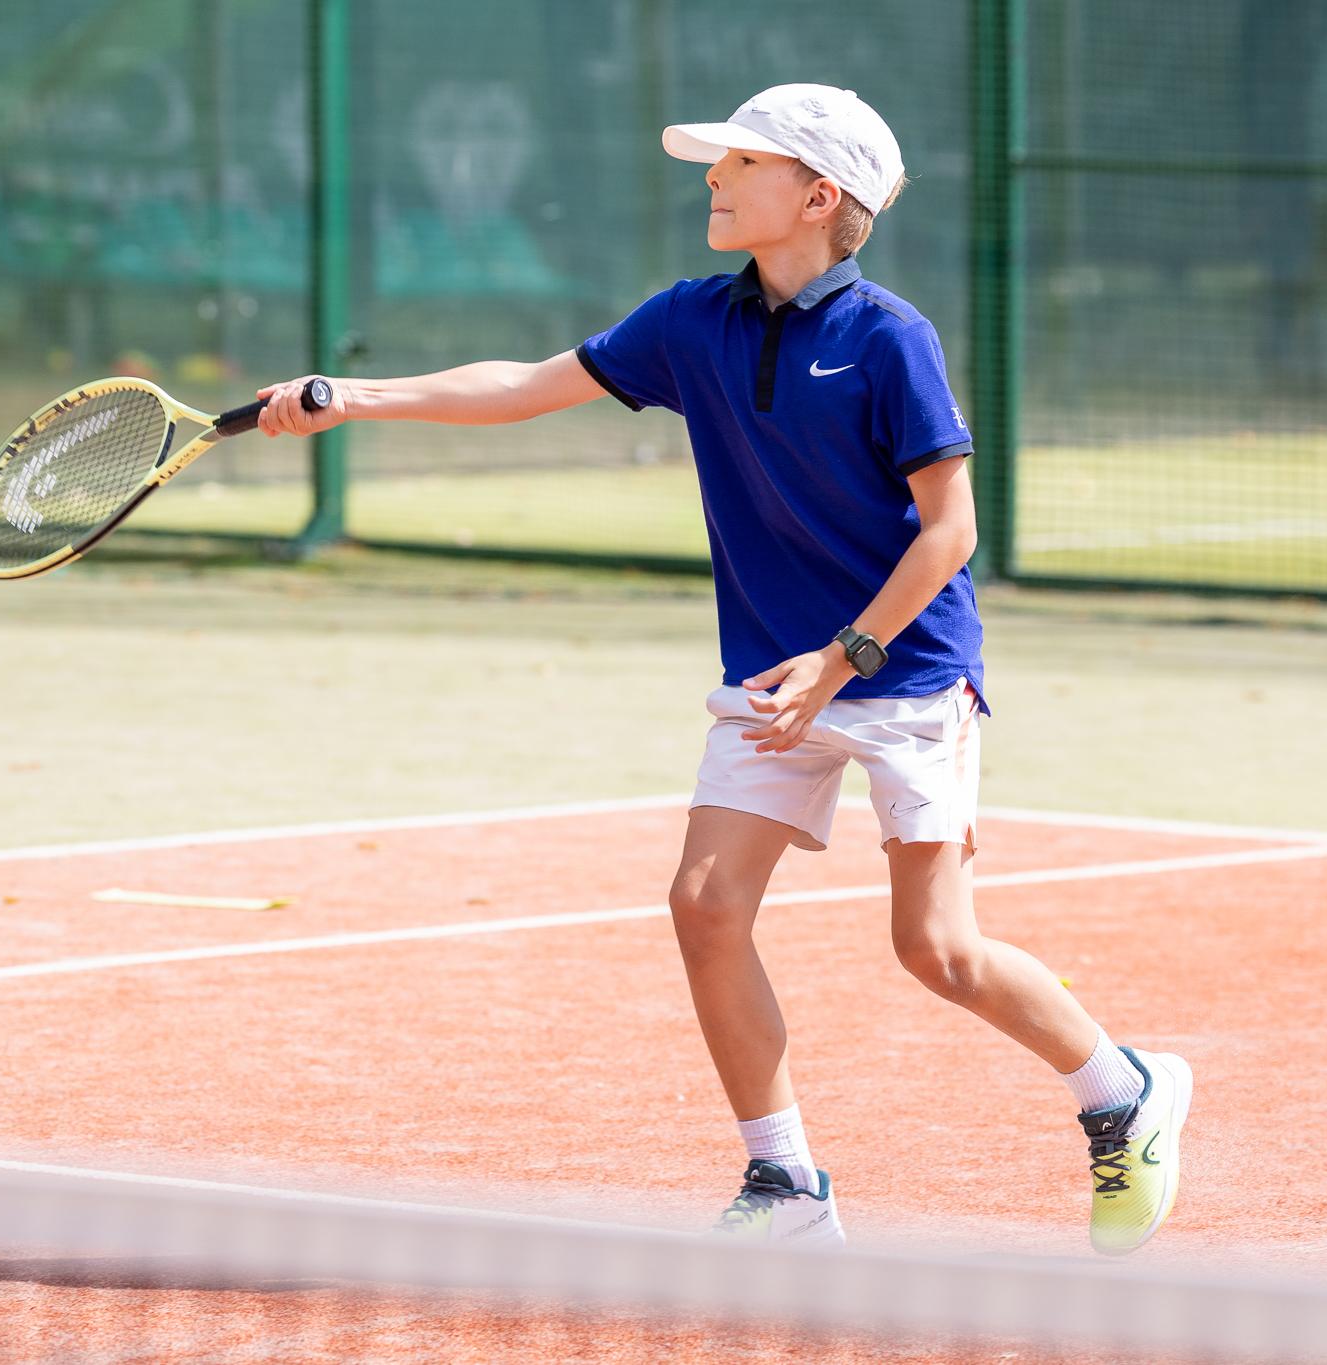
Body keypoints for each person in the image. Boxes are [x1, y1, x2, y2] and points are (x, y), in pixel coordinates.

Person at [255, 83, 1190, 1257]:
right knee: (702, 905)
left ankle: (1120, 1092)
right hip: (767, 677)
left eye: (741, 162)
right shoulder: (689, 322)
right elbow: (527, 385)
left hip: (901, 671)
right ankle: (784, 1185)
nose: (713, 176)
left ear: (817, 196)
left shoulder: (888, 339)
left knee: (936, 952)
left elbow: (949, 532)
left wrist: (842, 658)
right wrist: (352, 398)